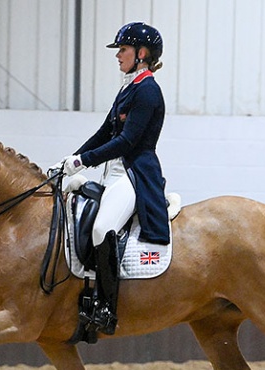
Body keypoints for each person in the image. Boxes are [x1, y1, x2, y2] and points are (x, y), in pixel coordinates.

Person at [53, 21, 170, 336]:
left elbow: (126, 142)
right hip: (114, 172)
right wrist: (71, 160)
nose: (118, 56)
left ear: (141, 54)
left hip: (135, 172)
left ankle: (106, 308)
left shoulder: (147, 90)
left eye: (123, 50)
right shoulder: (128, 87)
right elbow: (105, 132)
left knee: (104, 228)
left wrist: (84, 161)